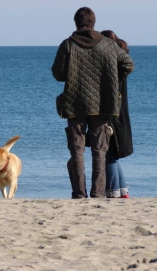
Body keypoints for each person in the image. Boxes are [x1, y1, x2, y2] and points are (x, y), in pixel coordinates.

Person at [51, 7, 134, 199]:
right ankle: (98, 194)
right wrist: (112, 79)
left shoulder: (68, 45)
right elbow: (128, 64)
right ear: (93, 22)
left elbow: (58, 74)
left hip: (75, 104)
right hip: (103, 103)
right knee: (100, 151)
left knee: (77, 151)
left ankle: (79, 194)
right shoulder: (108, 45)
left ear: (76, 23)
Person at [101, 30, 134, 198]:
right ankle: (122, 191)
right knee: (111, 154)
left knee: (108, 155)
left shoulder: (114, 67)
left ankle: (114, 191)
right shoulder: (120, 65)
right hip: (119, 116)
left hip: (113, 116)